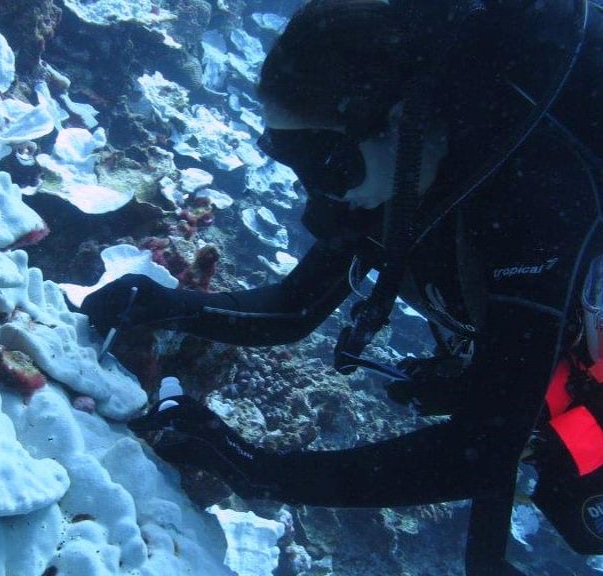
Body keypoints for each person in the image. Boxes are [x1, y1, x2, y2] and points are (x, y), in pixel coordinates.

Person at [82, 0, 603, 574]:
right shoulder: (382, 176)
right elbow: (294, 310)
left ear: (403, 121)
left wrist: (263, 472)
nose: (318, 194)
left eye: (323, 164)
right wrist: (165, 304)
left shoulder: (540, 200)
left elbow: (482, 453)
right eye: (289, 157)